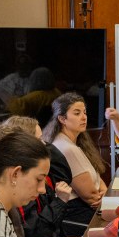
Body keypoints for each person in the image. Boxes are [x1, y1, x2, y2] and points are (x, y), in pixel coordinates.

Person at [43, 92, 108, 220]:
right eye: (77, 113)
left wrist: (105, 191)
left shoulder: (73, 142)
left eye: (84, 112)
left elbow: (97, 176)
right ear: (62, 119)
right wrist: (105, 199)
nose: (84, 117)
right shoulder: (67, 148)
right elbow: (91, 197)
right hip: (80, 213)